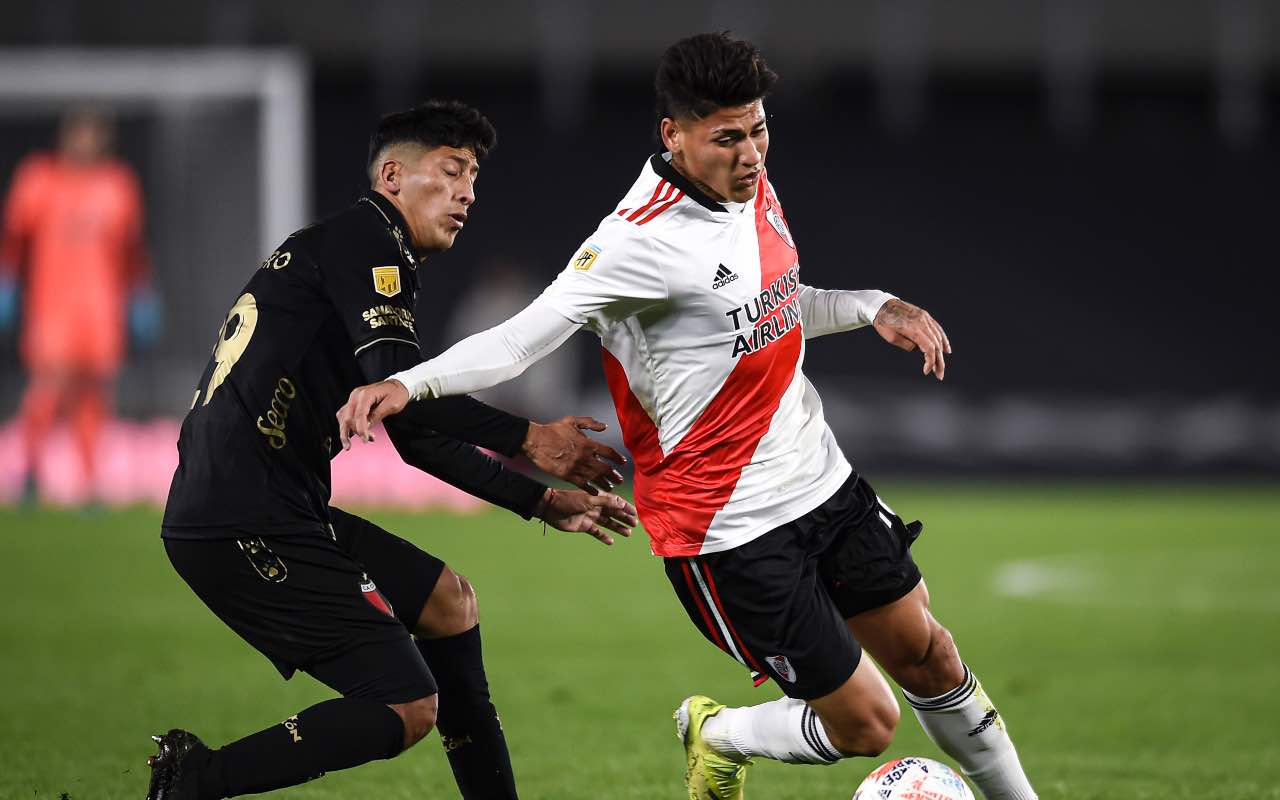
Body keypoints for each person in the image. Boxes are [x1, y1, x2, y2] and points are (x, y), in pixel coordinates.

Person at [337, 34, 1038, 800]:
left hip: (821, 479)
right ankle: (719, 733)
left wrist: (872, 307)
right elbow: (520, 339)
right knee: (867, 725)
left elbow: (773, 306)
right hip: (729, 529)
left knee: (931, 657)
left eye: (759, 129)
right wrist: (410, 384)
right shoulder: (636, 241)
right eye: (727, 138)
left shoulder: (752, 185)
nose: (752, 153)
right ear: (674, 135)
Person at [146, 100, 638, 800]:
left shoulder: (348, 246)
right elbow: (408, 399)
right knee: (406, 704)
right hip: (241, 518)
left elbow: (412, 431)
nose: (468, 192)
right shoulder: (370, 243)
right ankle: (194, 781)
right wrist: (529, 439)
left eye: (474, 177)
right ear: (392, 176)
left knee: (449, 603)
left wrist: (538, 500)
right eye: (452, 170)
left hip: (271, 506)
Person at [0, 107, 159, 505]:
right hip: (52, 307)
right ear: (65, 135)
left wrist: (140, 294)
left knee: (92, 395)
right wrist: (7, 283)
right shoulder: (38, 180)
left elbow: (133, 251)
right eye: (80, 133)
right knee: (48, 387)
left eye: (94, 134)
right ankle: (30, 474)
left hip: (100, 310)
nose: (86, 142)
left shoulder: (117, 186)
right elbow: (14, 240)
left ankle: (90, 484)